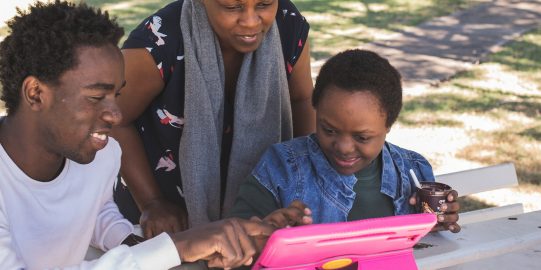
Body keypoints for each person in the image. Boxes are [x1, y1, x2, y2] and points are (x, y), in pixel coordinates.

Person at [0, 1, 279, 269]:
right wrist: (176, 247)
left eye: (116, 95)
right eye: (96, 97)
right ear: (36, 93)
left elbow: (94, 213)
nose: (116, 114)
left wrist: (138, 244)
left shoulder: (102, 154)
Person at [111, 0, 316, 238]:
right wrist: (152, 202)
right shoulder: (159, 41)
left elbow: (302, 100)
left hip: (261, 219)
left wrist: (304, 184)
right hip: (166, 223)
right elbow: (113, 118)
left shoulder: (288, 23)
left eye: (264, 4)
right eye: (232, 7)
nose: (250, 21)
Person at [229, 49, 461, 233]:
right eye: (329, 130)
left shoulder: (414, 171)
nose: (343, 147)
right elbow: (237, 237)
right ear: (316, 111)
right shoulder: (280, 167)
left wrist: (438, 222)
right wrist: (266, 231)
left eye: (362, 137)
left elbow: (427, 249)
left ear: (388, 125)